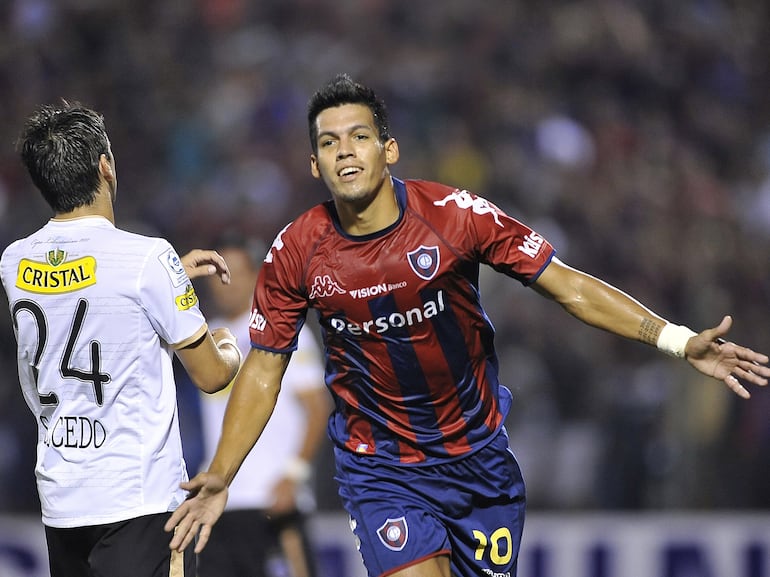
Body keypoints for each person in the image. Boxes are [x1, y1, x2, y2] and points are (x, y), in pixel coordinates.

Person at [165, 74, 770, 577]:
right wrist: (221, 472)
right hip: (381, 467)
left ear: (388, 148)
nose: (345, 150)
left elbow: (569, 286)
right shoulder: (296, 250)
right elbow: (265, 366)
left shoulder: (455, 218)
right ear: (314, 163)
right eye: (328, 143)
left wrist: (676, 339)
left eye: (358, 136)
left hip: (477, 459)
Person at [0, 101, 242, 577]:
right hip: (140, 503)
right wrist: (227, 342)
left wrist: (167, 279)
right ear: (105, 167)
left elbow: (78, 291)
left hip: (62, 501)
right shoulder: (147, 257)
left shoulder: (13, 262)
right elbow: (212, 376)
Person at [195, 232, 329, 577]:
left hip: (271, 500)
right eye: (218, 275)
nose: (224, 284)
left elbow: (317, 407)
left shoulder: (282, 331)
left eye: (233, 273)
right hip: (220, 500)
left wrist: (293, 477)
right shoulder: (204, 336)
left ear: (256, 276)